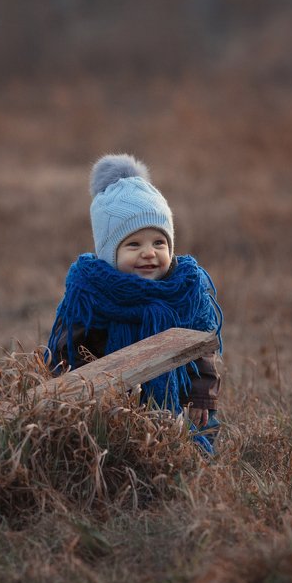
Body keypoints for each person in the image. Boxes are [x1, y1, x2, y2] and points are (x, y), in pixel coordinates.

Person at [46, 154, 223, 453]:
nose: (149, 253)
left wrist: (202, 398)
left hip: (176, 404)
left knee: (197, 433)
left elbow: (202, 355)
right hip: (110, 406)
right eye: (133, 244)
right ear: (109, 253)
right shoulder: (91, 295)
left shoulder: (184, 292)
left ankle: (181, 454)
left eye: (159, 242)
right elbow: (66, 354)